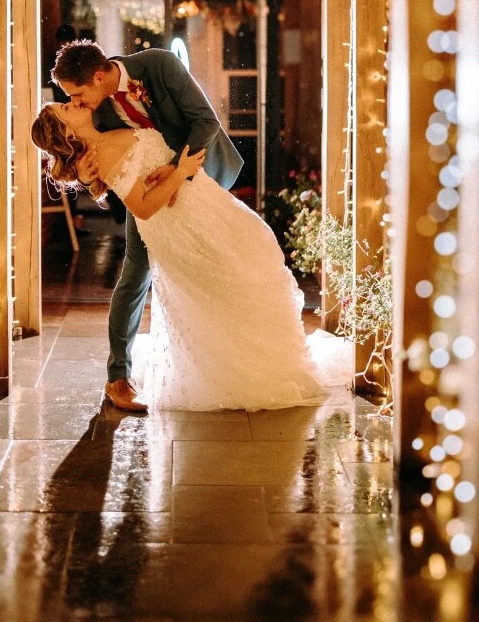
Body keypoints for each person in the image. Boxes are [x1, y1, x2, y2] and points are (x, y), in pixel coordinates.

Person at [32, 100, 329, 412]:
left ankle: (264, 360)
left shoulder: (106, 127)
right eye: (64, 109)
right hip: (176, 218)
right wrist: (181, 171)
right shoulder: (100, 154)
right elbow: (143, 208)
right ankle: (245, 370)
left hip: (201, 200)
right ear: (67, 132)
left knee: (250, 262)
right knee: (233, 279)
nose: (73, 102)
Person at [47, 40, 244, 411]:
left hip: (197, 175)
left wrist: (177, 171)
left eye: (77, 93)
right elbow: (93, 158)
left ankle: (226, 362)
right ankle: (117, 377)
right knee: (136, 274)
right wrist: (88, 177)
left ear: (99, 76)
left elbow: (206, 121)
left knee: (216, 266)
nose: (75, 101)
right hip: (147, 194)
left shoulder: (160, 65)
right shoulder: (94, 112)